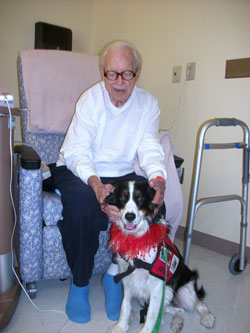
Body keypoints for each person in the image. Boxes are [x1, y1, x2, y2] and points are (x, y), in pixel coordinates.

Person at [51, 40, 167, 324]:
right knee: (82, 206)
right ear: (103, 73)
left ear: (137, 74)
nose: (118, 82)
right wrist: (98, 189)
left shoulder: (148, 103)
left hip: (120, 171)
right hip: (79, 168)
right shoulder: (90, 99)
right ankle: (80, 284)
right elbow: (78, 151)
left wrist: (158, 178)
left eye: (126, 74)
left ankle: (116, 276)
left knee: (150, 204)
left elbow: (150, 146)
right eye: (111, 74)